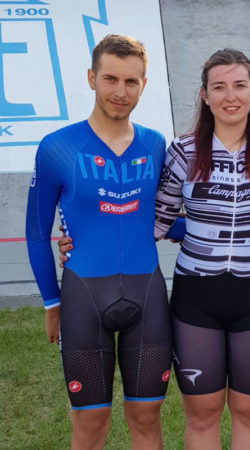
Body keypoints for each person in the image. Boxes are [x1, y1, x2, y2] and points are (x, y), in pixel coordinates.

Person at [26, 35, 177, 449]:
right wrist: (51, 302)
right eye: (110, 79)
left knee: (146, 417)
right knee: (91, 422)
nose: (120, 91)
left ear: (143, 85)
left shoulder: (155, 145)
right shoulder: (57, 147)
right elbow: (37, 231)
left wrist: (224, 229)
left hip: (147, 297)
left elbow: (159, 218)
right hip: (84, 299)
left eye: (131, 81)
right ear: (92, 78)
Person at [153, 49, 250, 450]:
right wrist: (79, 238)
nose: (230, 96)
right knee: (202, 414)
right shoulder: (182, 152)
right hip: (196, 298)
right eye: (219, 87)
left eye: (239, 85)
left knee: (249, 413)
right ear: (204, 95)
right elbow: (154, 222)